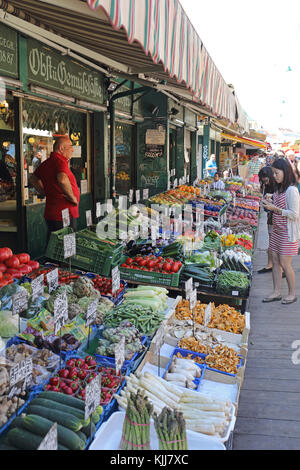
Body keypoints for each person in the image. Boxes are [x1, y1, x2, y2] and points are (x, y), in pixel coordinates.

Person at [261, 158, 300, 304]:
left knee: (285, 263)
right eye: (274, 174)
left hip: (287, 233)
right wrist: (270, 201)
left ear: (285, 172)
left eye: (277, 173)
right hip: (277, 231)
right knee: (276, 261)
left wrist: (275, 209)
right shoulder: (279, 188)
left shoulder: (292, 190)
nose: (275, 176)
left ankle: (291, 294)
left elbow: (294, 214)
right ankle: (276, 292)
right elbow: (279, 205)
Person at [30, 136, 79, 243]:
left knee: (54, 244)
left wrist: (44, 191)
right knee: (66, 247)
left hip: (52, 212)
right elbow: (62, 179)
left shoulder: (47, 162)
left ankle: (53, 260)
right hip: (64, 213)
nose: (72, 149)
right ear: (61, 148)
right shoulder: (59, 161)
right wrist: (73, 198)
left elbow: (33, 179)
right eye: (70, 146)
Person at [257, 166, 276, 274]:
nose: (265, 182)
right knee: (271, 241)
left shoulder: (278, 187)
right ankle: (270, 264)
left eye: (267, 180)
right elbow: (265, 206)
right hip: (271, 216)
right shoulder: (267, 187)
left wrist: (272, 198)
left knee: (275, 242)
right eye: (263, 181)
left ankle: (279, 267)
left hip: (278, 217)